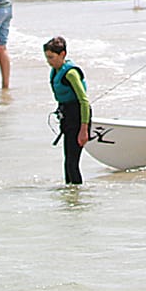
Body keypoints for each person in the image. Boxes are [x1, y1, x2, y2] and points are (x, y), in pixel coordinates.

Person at [44, 36, 92, 185]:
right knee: (67, 162)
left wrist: (84, 130)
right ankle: (70, 198)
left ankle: (77, 198)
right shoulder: (55, 70)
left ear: (62, 54)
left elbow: (84, 101)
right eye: (47, 57)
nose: (49, 61)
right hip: (67, 118)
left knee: (73, 163)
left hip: (79, 118)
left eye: (51, 57)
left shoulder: (70, 73)